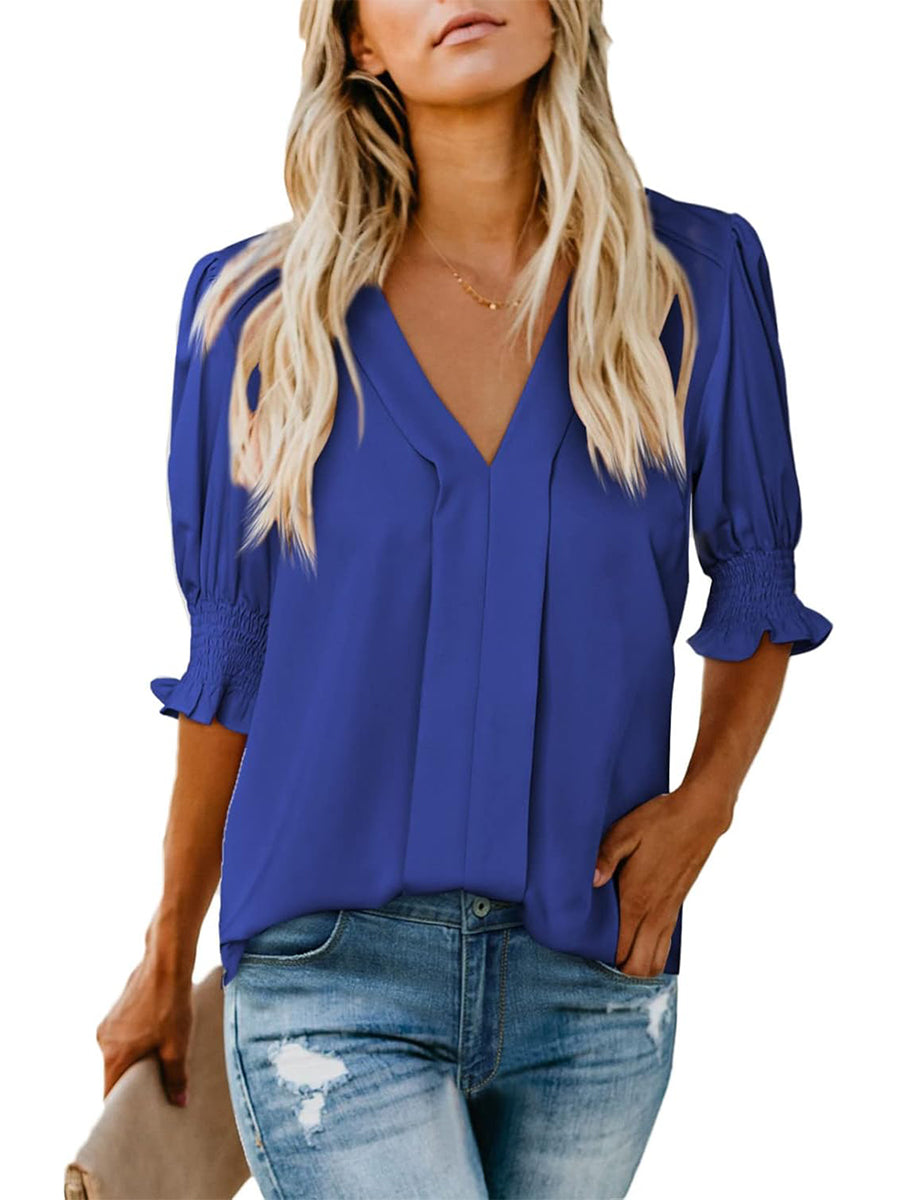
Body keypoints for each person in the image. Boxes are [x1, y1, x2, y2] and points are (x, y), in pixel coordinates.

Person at [95, 2, 834, 1196]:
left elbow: (754, 574)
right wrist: (166, 947)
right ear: (358, 42)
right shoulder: (255, 315)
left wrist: (708, 803)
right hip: (328, 975)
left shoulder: (692, 282)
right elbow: (232, 661)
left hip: (594, 980)